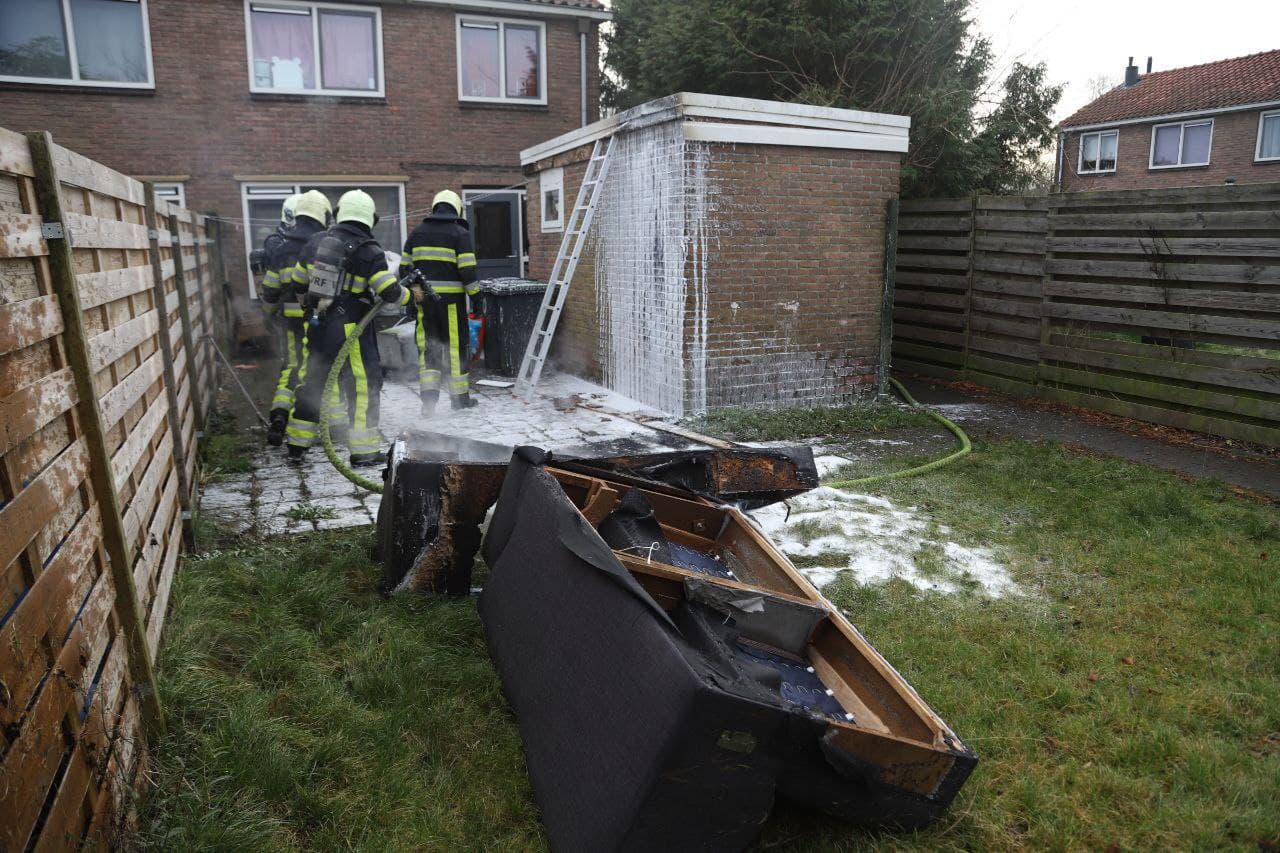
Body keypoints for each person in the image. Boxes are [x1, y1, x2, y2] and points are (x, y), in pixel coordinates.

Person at [284, 190, 411, 466]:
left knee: (314, 382)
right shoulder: (370, 251)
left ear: (340, 213)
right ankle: (364, 452)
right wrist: (411, 295)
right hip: (353, 330)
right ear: (369, 218)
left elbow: (297, 282)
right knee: (363, 386)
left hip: (318, 325)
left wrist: (311, 308)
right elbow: (389, 292)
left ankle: (296, 445)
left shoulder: (316, 242)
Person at [260, 191, 330, 446]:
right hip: (316, 319)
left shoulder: (280, 250)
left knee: (291, 365)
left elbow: (270, 289)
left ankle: (280, 413)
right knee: (317, 368)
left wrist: (268, 315)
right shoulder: (322, 246)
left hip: (290, 319)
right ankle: (317, 422)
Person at [402, 189, 480, 413]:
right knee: (455, 350)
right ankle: (460, 399)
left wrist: (414, 297)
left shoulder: (417, 233)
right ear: (457, 208)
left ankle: (428, 403)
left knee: (428, 350)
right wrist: (477, 298)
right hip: (452, 305)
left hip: (424, 304)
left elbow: (405, 269)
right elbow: (467, 271)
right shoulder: (460, 233)